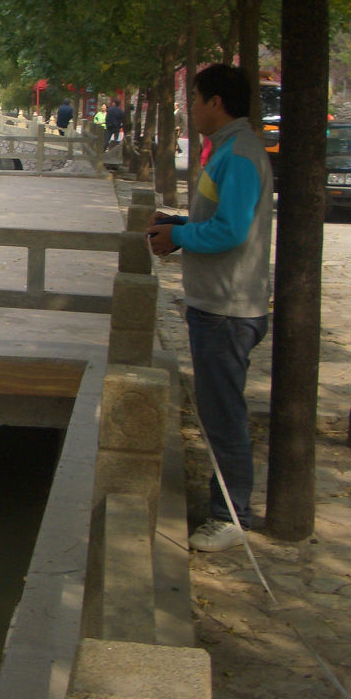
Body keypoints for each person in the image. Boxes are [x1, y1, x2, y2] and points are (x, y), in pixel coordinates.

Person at [145, 64, 273, 552]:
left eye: (195, 98)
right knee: (219, 409)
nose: (189, 108)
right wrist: (177, 224)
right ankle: (225, 505)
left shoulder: (238, 155)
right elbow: (216, 219)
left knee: (224, 414)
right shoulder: (226, 151)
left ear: (216, 102)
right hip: (214, 301)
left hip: (228, 305)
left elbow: (232, 231)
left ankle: (230, 515)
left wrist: (179, 236)